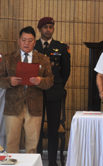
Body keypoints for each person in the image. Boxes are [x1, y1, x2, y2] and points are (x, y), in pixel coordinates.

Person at [0, 26, 53, 153]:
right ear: (18, 41)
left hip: (34, 107)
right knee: (11, 143)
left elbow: (50, 80)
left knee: (32, 145)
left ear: (34, 42)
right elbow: (0, 79)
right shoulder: (8, 58)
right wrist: (10, 81)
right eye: (24, 40)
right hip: (13, 106)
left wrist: (40, 81)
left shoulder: (43, 59)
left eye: (30, 40)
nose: (26, 43)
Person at [34, 17, 70, 166]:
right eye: (45, 27)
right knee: (36, 128)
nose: (48, 30)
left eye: (51, 27)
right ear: (40, 29)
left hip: (54, 92)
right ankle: (36, 160)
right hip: (35, 92)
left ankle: (53, 162)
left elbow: (66, 71)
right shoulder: (33, 45)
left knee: (53, 129)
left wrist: (58, 86)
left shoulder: (61, 47)